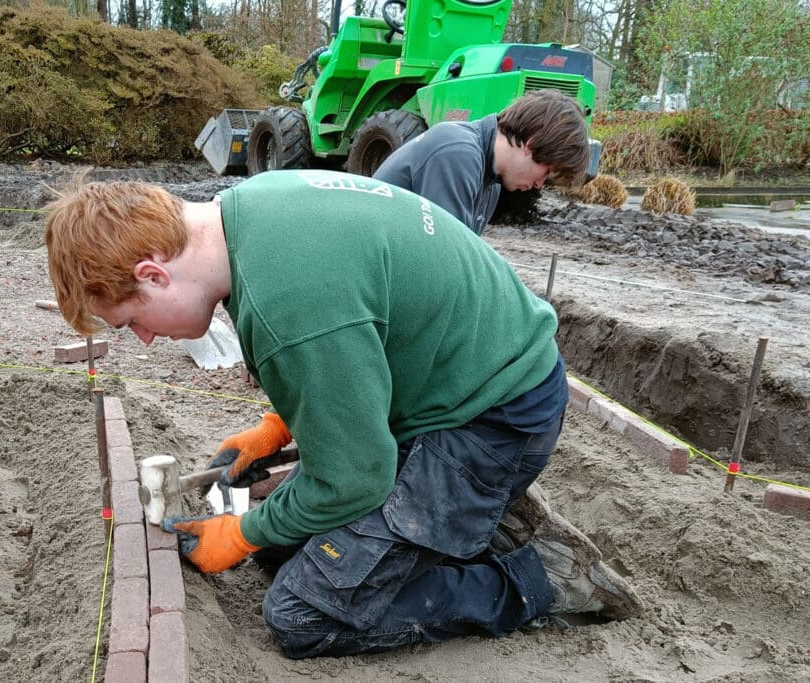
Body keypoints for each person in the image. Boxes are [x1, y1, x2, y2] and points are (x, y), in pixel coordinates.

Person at [44, 169, 642, 659]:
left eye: (132, 322)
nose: (145, 339)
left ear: (152, 273)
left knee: (300, 614)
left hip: (495, 420)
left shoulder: (290, 303)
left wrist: (242, 532)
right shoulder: (245, 211)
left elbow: (355, 477)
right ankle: (463, 524)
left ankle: (537, 582)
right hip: (454, 385)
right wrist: (281, 425)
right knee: (288, 545)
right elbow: (359, 345)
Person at [373, 89, 592, 236]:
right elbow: (443, 263)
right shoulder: (458, 154)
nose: (539, 184)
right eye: (546, 172)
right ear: (531, 145)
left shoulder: (490, 181)